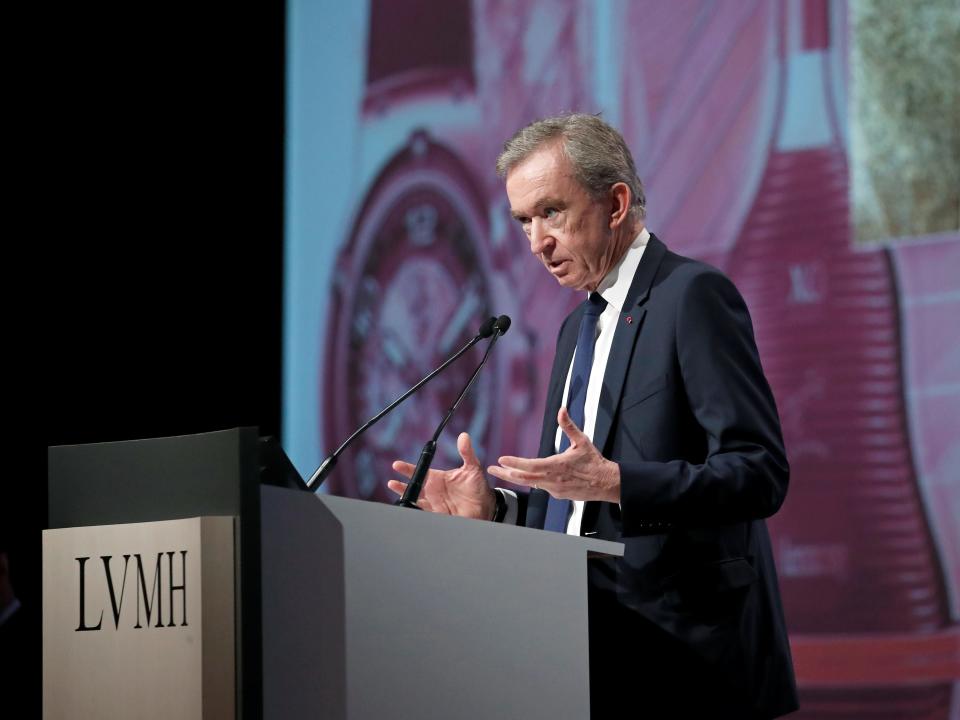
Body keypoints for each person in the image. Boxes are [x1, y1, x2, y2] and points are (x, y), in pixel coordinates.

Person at [388, 113, 798, 718]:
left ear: (616, 203)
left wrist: (618, 482)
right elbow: (580, 511)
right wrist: (499, 510)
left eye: (551, 212)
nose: (536, 242)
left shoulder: (692, 297)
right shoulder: (571, 332)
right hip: (588, 656)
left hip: (689, 665)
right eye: (524, 221)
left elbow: (760, 472)